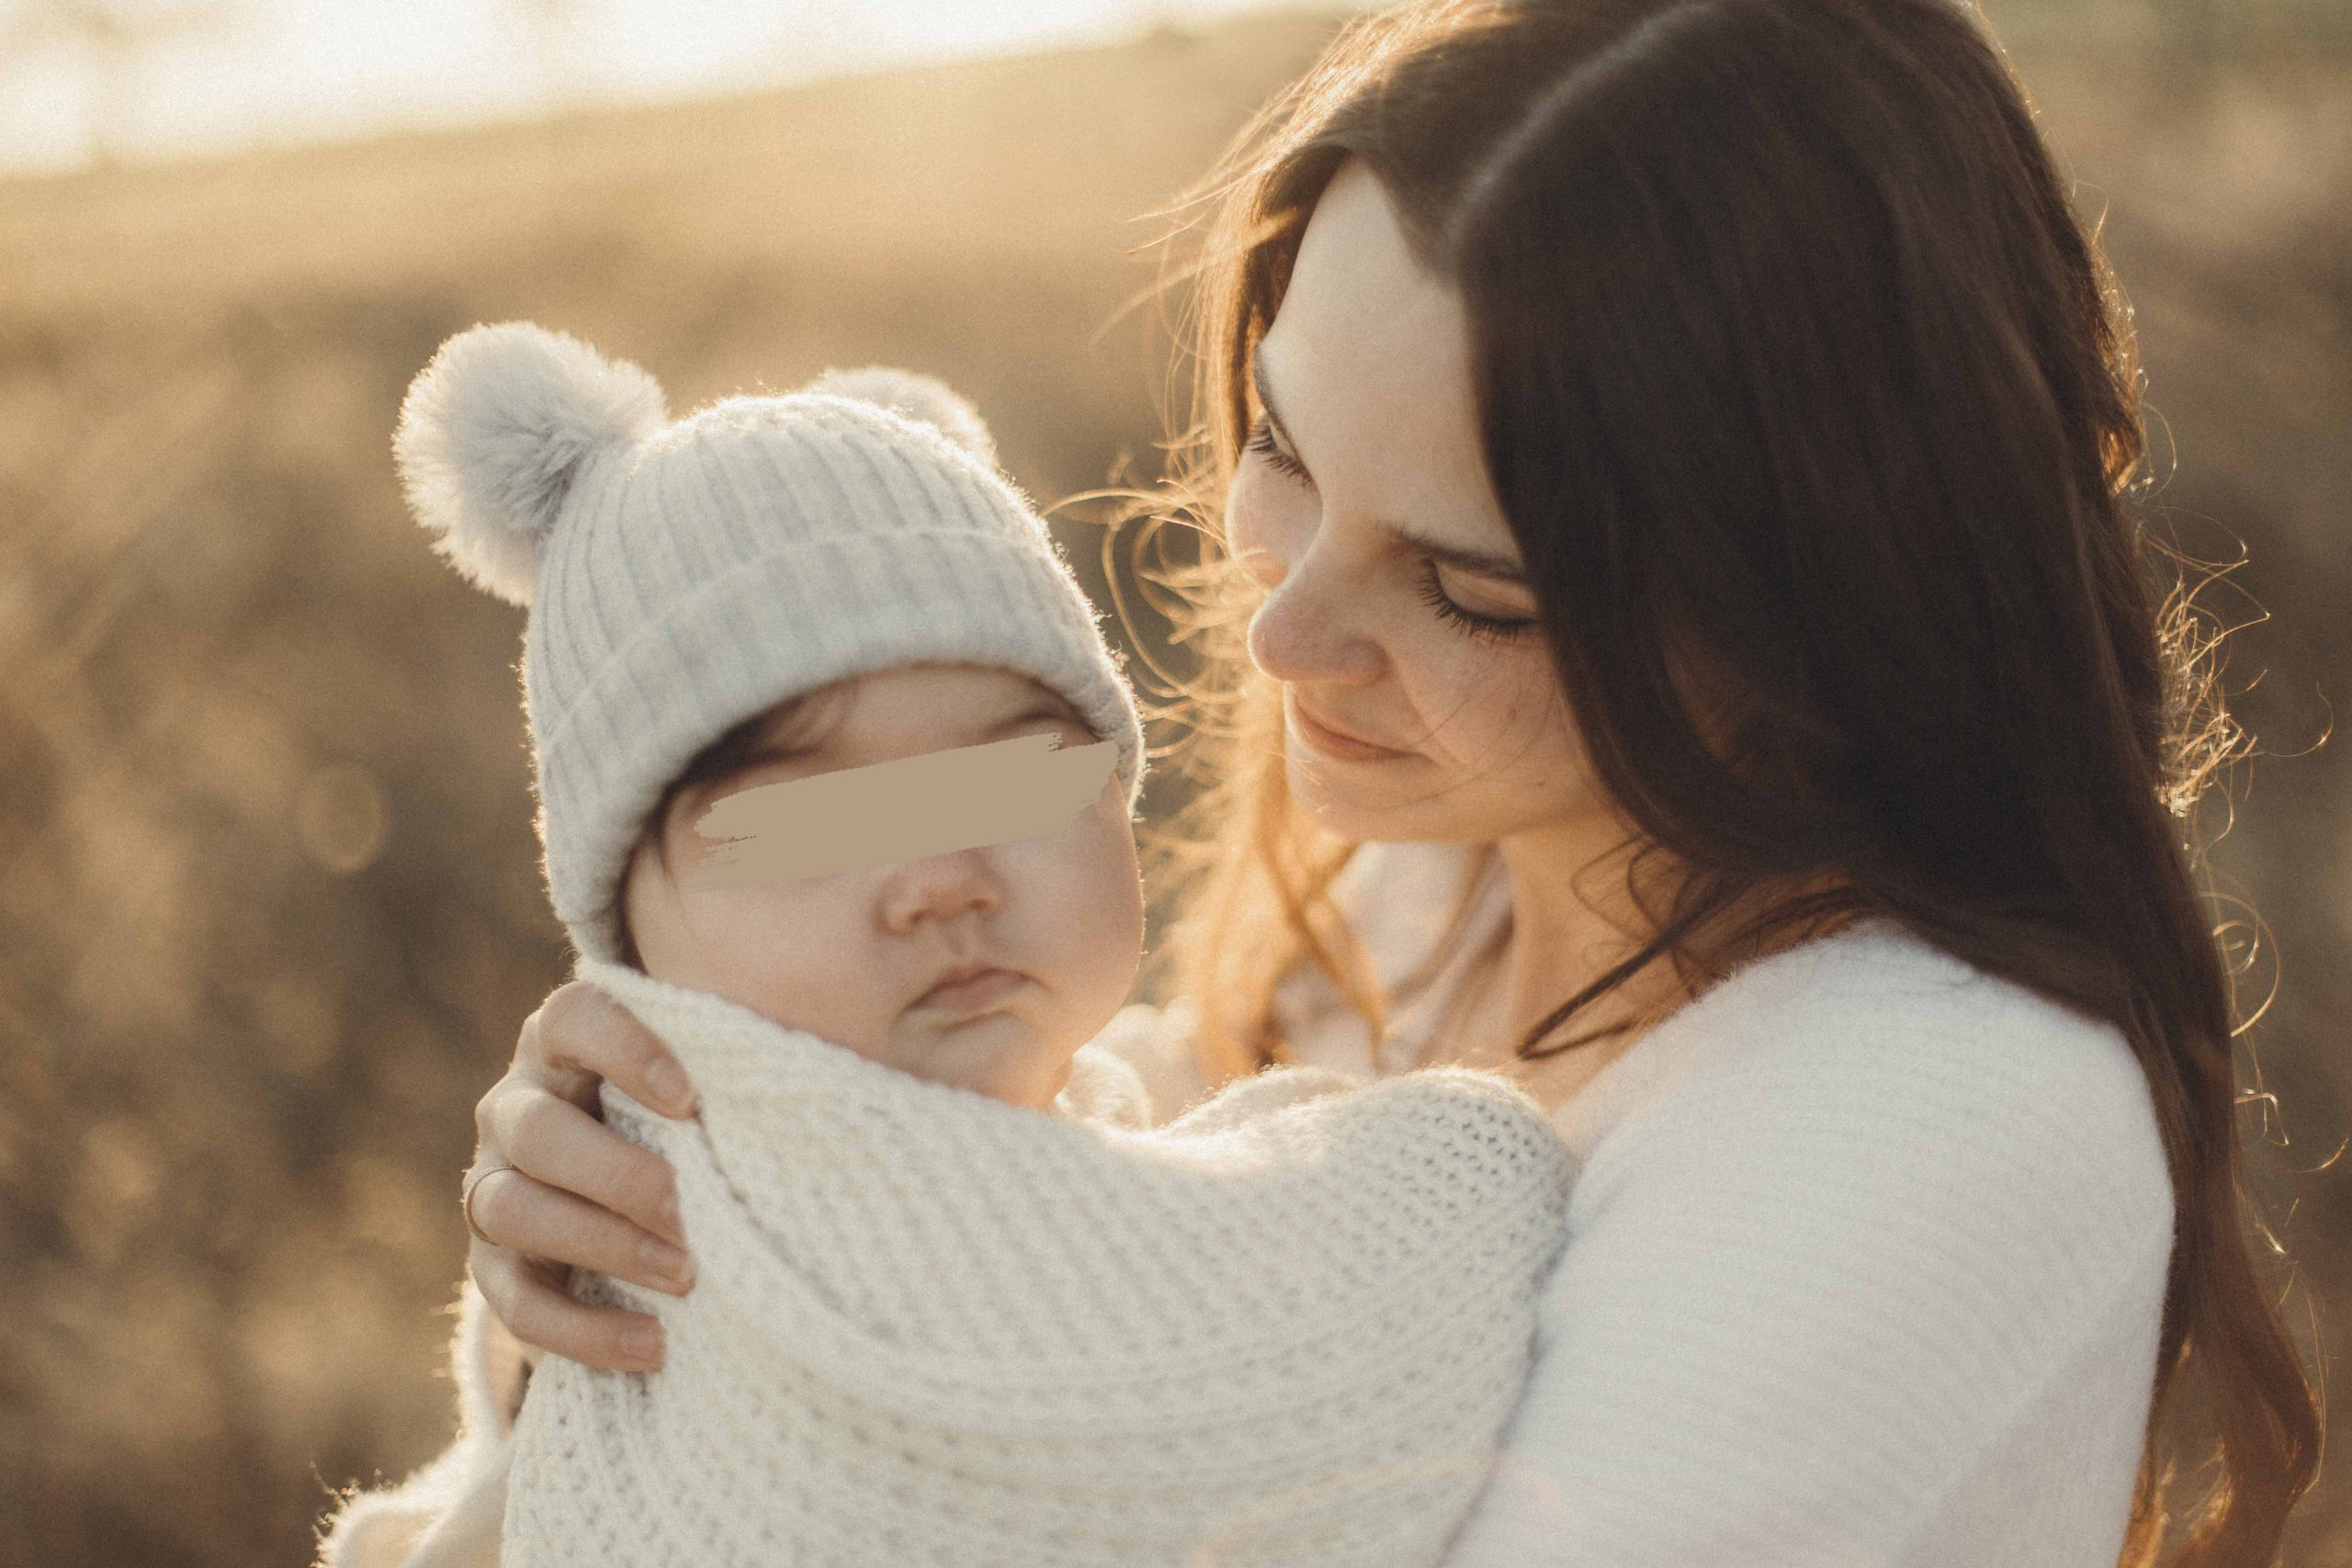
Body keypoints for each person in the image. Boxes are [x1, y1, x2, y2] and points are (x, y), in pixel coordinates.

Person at [440, 0, 2324, 1564]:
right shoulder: (1429, 879)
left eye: (1467, 586)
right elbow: (1038, 1261)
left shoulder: (1927, 1120)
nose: (1279, 639)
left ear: (1807, 605)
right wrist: (663, 1240)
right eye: (1279, 443)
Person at [311, 323, 1580, 1567]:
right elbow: (1421, 1241)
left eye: (1013, 779)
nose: (939, 879)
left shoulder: (1092, 1120)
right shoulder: (700, 1230)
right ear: (625, 950)